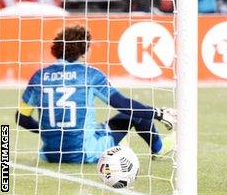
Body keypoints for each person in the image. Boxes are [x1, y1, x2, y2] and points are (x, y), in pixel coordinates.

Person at [15, 25, 177, 163]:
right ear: (83, 52)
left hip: (50, 155)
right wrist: (159, 113)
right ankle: (159, 150)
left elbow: (21, 117)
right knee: (137, 114)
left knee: (98, 126)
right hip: (85, 153)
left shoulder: (39, 76)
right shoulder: (90, 74)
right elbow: (122, 104)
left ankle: (117, 143)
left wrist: (47, 131)